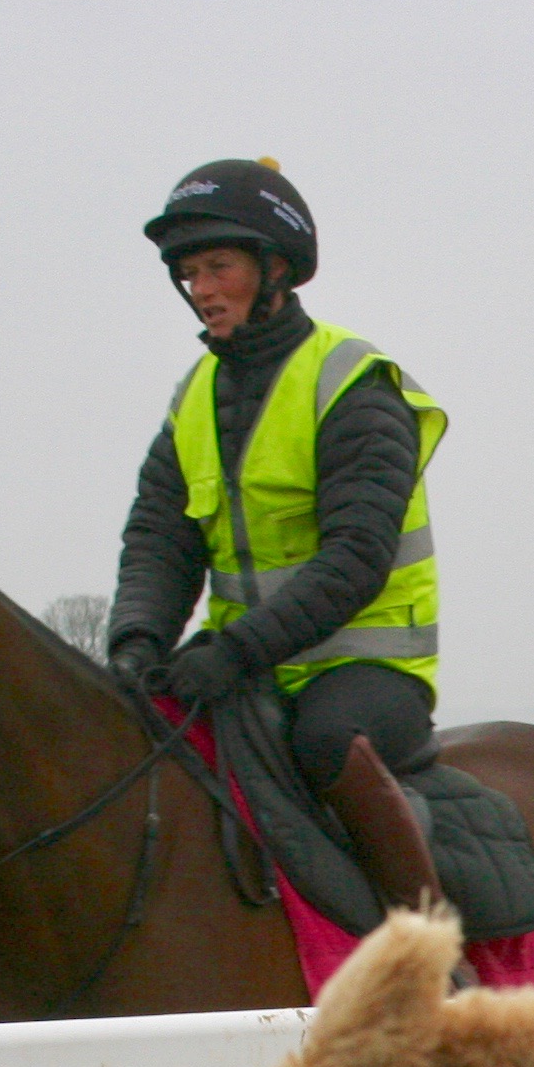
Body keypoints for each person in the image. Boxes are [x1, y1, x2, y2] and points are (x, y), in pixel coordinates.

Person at [102, 157, 451, 909]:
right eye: (190, 271)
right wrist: (136, 642)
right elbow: (159, 540)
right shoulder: (193, 397)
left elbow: (357, 559)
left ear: (277, 270)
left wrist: (233, 651)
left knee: (327, 742)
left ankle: (431, 953)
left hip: (366, 662)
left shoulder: (354, 384)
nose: (201, 288)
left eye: (219, 266)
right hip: (246, 662)